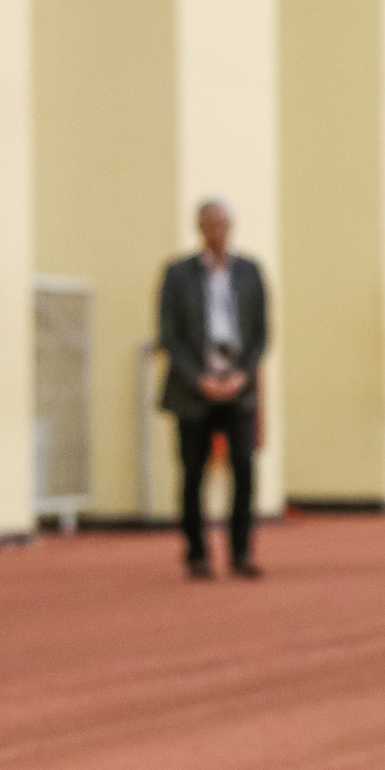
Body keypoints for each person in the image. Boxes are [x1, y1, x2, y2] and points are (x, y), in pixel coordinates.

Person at [157, 199, 268, 580]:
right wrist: (198, 378)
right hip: (194, 389)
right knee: (192, 473)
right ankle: (196, 554)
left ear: (231, 227)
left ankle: (241, 552)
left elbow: (261, 334)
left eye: (223, 223)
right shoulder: (177, 274)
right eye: (211, 224)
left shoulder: (251, 272)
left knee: (243, 469)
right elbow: (168, 336)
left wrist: (243, 374)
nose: (218, 231)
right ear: (200, 228)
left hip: (239, 386)